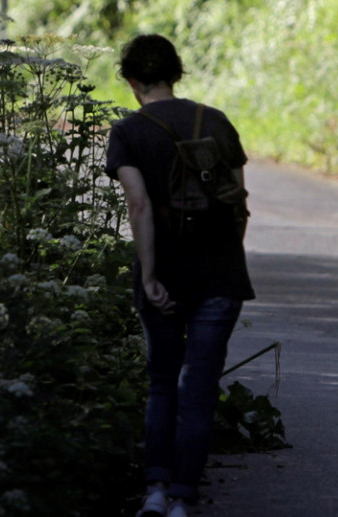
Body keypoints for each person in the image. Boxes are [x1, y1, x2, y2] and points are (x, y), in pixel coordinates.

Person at [104, 34, 255, 517]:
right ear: (178, 73)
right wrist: (226, 260)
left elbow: (139, 204)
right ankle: (184, 500)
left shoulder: (128, 132)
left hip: (163, 275)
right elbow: (238, 205)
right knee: (200, 388)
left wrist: (149, 276)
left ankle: (154, 492)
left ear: (131, 81)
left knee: (163, 382)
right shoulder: (216, 122)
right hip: (220, 275)